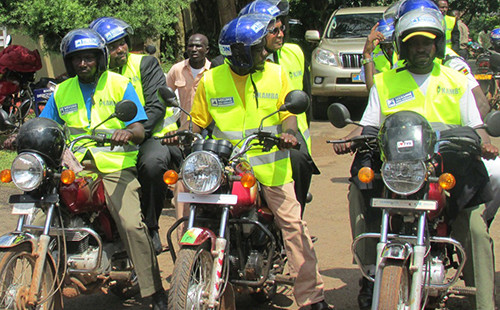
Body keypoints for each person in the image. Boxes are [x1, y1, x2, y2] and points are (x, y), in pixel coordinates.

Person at [165, 13, 332, 310]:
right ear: (240, 53)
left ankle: (311, 296)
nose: (265, 52)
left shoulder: (276, 74)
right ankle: (191, 272)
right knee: (187, 198)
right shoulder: (212, 80)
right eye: (258, 48)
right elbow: (198, 120)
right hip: (226, 166)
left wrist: (290, 134)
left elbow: (287, 115)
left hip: (270, 166)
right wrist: (181, 133)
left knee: (293, 225)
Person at [334, 7, 497, 310]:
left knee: (474, 223)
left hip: (448, 166)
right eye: (413, 43)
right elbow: (368, 124)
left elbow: (476, 126)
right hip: (397, 165)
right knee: (360, 187)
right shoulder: (385, 83)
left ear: (437, 44)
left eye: (426, 42)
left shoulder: (456, 80)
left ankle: (484, 301)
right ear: (402, 46)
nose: (420, 48)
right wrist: (349, 138)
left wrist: (485, 143)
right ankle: (370, 273)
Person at [39, 28, 167, 309]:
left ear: (100, 58)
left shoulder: (119, 84)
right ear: (69, 61)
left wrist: (127, 134)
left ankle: (152, 291)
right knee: (43, 207)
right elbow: (45, 123)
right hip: (74, 168)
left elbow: (138, 126)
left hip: (114, 166)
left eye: (89, 58)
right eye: (77, 59)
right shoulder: (61, 90)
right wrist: (22, 134)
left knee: (132, 225)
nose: (83, 64)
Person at [90, 17, 182, 255]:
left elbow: (155, 107)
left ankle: (150, 226)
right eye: (112, 46)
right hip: (107, 138)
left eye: (122, 42)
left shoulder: (145, 64)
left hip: (148, 134)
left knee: (153, 164)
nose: (119, 49)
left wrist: (134, 132)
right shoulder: (96, 73)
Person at [238, 0, 320, 217]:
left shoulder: (295, 53)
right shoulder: (234, 61)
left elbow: (306, 97)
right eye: (273, 29)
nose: (280, 34)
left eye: (281, 28)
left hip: (289, 130)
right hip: (248, 132)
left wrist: (295, 133)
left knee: (300, 160)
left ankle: (295, 215)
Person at [166, 33, 211, 127]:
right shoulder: (177, 69)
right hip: (185, 126)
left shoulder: (213, 70)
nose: (194, 49)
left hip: (209, 127)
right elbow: (165, 94)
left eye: (198, 46)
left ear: (206, 50)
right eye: (191, 46)